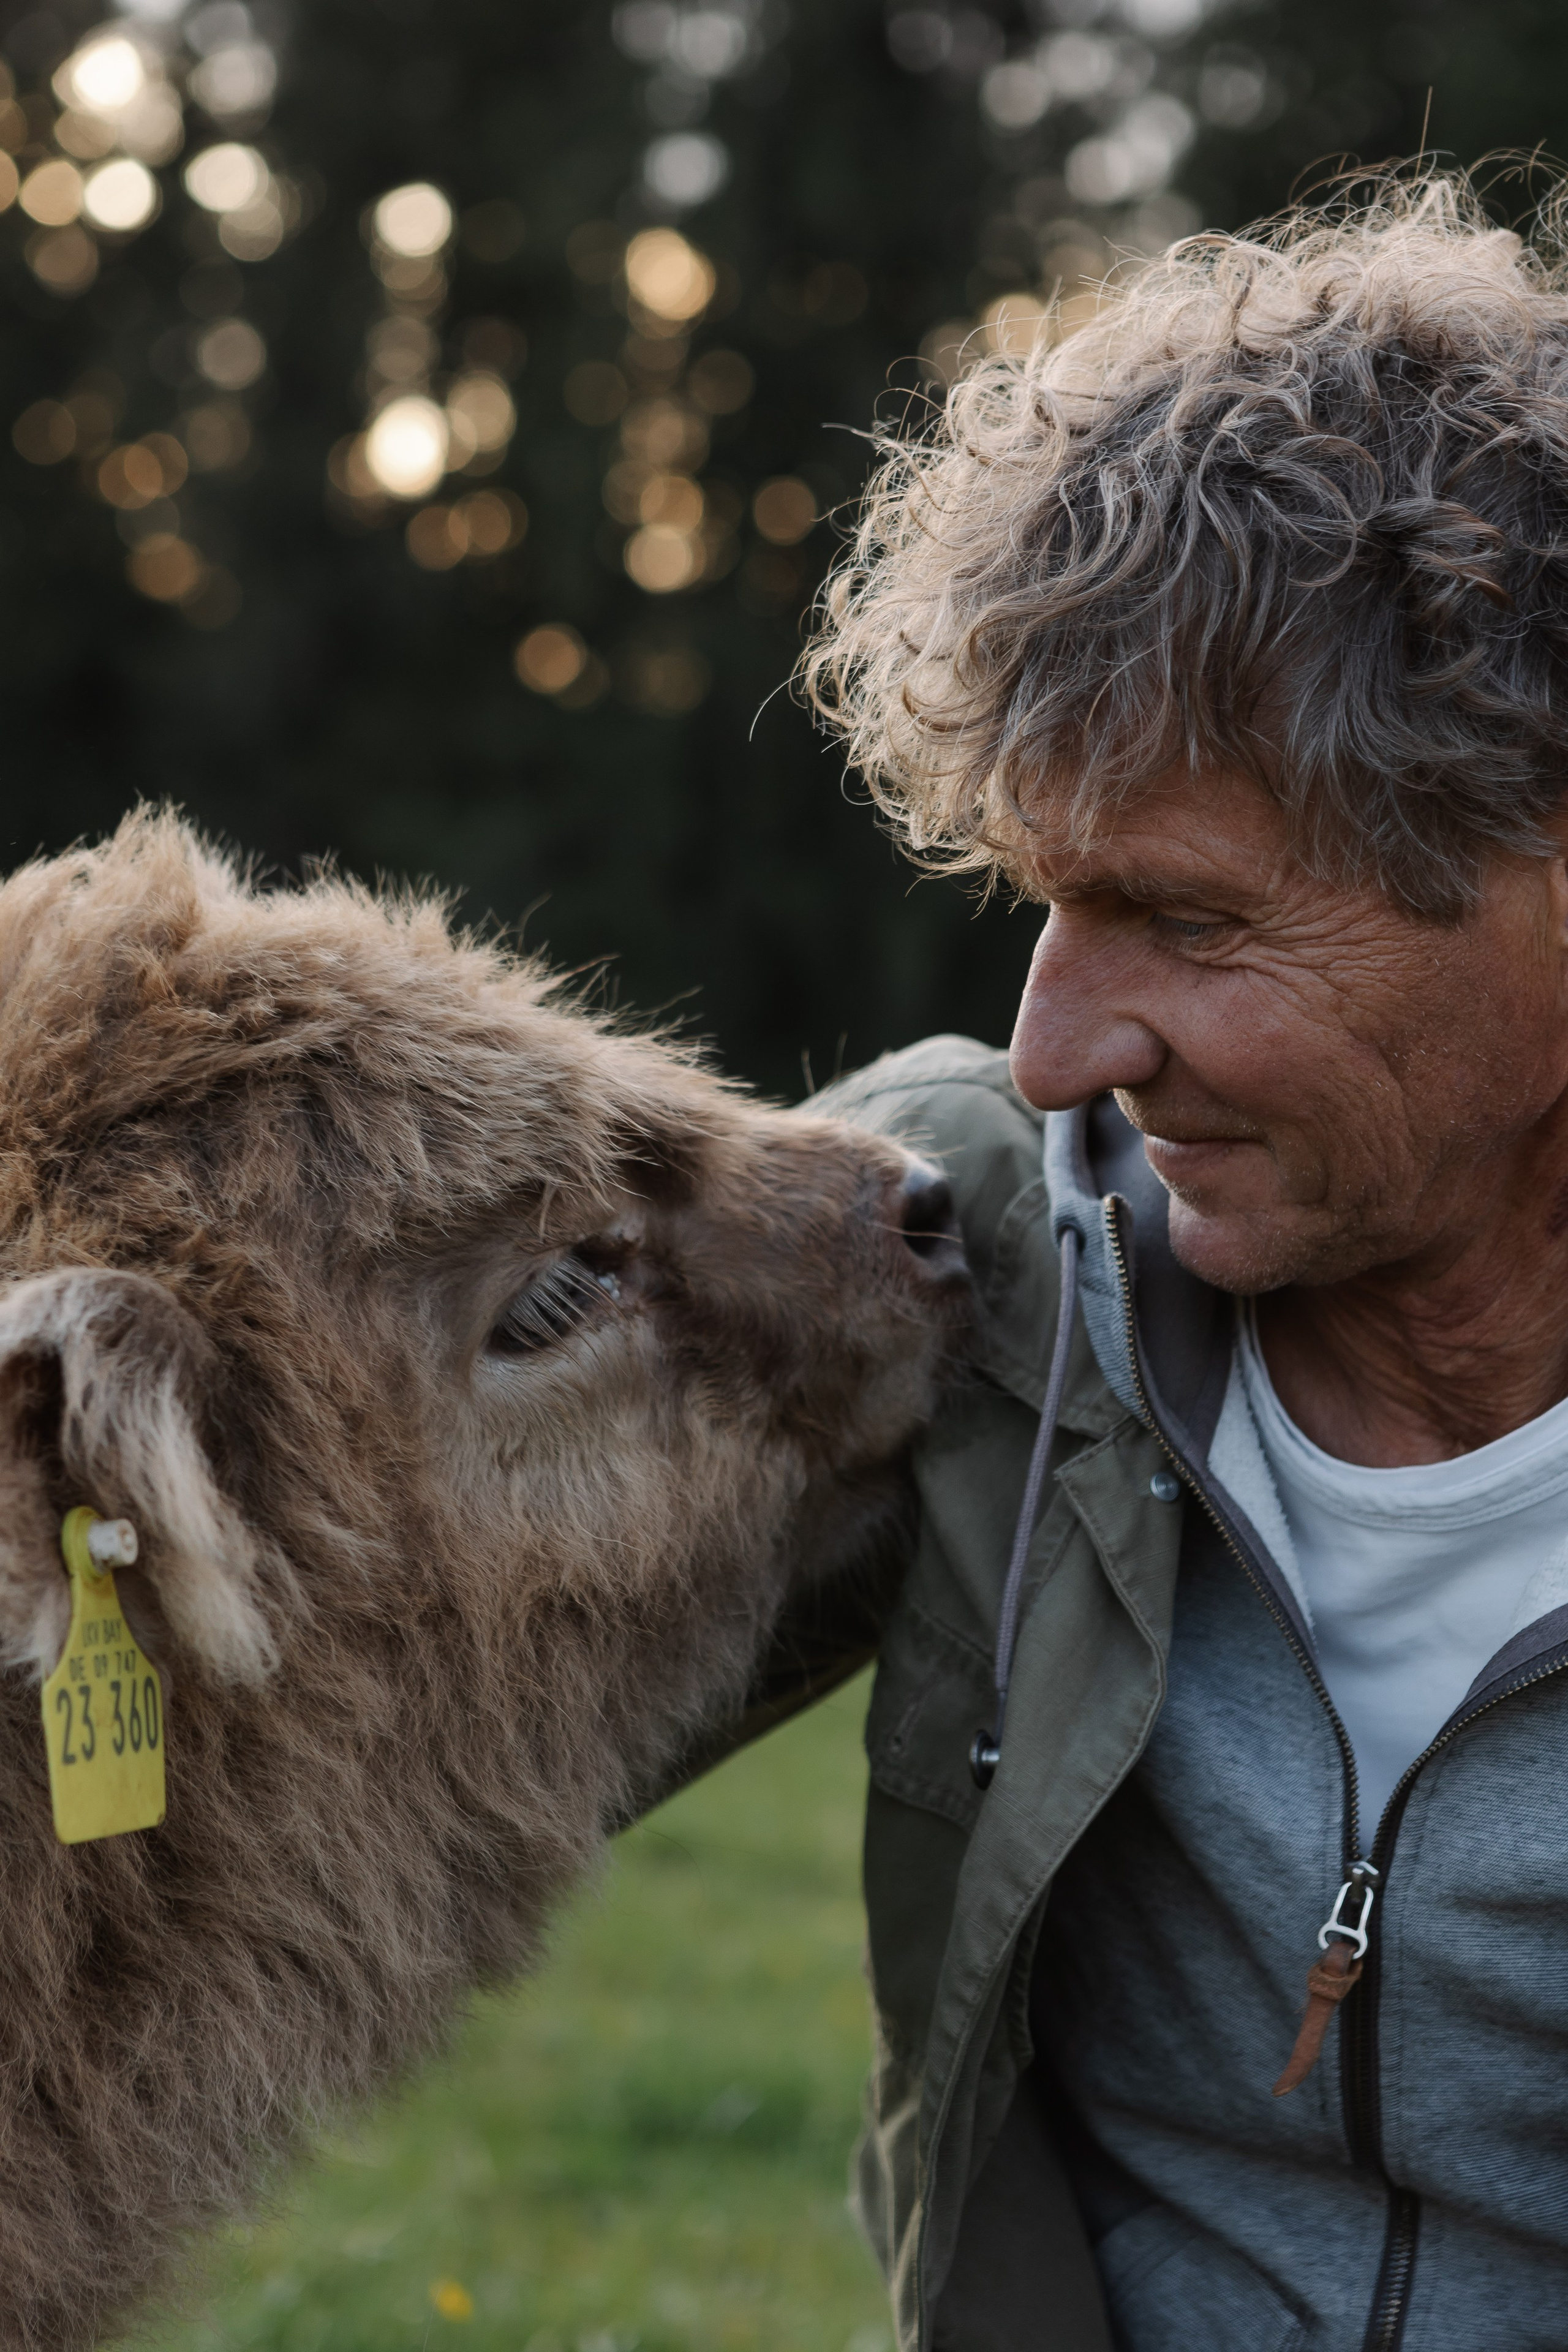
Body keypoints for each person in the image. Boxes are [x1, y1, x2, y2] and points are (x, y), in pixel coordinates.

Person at [761, 175, 1568, 2350]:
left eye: (1193, 921)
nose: (1054, 1051)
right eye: (1041, 900)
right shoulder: (951, 1242)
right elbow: (336, 1610)